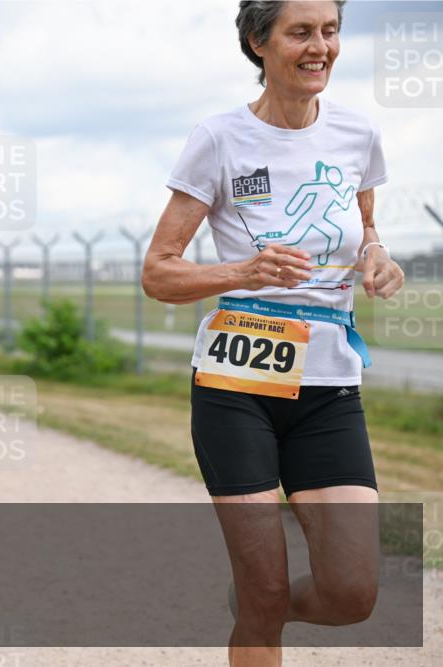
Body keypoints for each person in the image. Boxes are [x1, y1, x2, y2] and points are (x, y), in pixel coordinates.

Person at [141, 3, 405, 666]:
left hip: (329, 386)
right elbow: (157, 272)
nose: (321, 47)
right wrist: (244, 268)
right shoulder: (219, 139)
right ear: (260, 43)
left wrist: (377, 253)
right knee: (263, 587)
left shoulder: (356, 134)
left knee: (352, 591)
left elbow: (365, 225)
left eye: (331, 30)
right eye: (301, 32)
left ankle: (260, 605)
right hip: (237, 384)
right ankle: (260, 604)